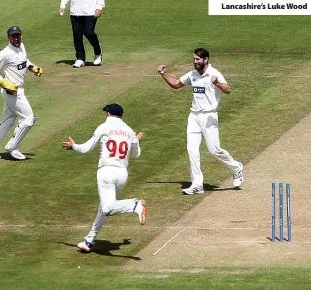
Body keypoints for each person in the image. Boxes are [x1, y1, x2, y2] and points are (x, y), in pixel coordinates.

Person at [157, 48, 244, 195]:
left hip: (209, 116)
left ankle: (236, 168)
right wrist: (163, 74)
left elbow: (228, 90)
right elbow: (177, 84)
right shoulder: (193, 74)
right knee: (192, 150)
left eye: (198, 59)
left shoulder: (214, 74)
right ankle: (197, 184)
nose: (195, 62)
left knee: (214, 150)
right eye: (194, 59)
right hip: (194, 116)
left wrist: (217, 84)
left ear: (206, 60)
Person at [61, 103, 146, 252]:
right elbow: (136, 154)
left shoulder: (103, 127)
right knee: (103, 208)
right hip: (122, 174)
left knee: (107, 208)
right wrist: (135, 141)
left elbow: (87, 148)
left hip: (106, 172)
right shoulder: (129, 131)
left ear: (108, 114)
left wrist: (74, 146)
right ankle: (89, 241)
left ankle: (135, 205)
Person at [0, 26, 43, 160]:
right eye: (13, 36)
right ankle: (12, 147)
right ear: (8, 37)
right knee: (28, 119)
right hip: (12, 91)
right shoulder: (5, 53)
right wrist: (3, 82)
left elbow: (24, 62)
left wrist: (32, 67)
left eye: (18, 36)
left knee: (8, 119)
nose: (16, 38)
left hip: (20, 89)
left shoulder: (22, 47)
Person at [59, 0, 105, 68]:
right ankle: (80, 58)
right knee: (77, 35)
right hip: (75, 10)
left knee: (88, 32)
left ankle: (98, 51)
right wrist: (63, 5)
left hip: (90, 11)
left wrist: (99, 7)